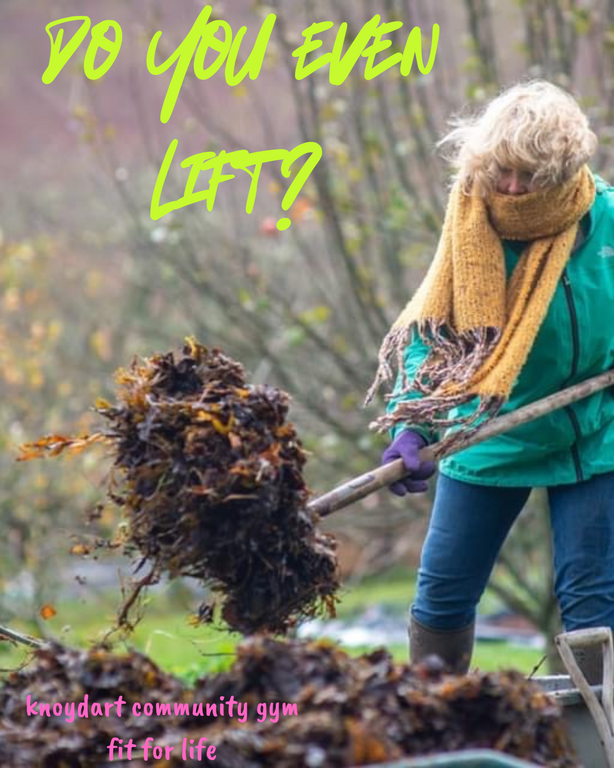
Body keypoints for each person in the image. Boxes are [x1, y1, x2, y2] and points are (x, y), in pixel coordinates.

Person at [368, 80, 614, 680]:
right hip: (488, 432)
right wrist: (410, 424)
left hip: (594, 433)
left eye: (528, 175)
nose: (510, 187)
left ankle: (598, 735)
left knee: (592, 606)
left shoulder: (605, 218)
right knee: (444, 595)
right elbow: (435, 334)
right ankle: (436, 717)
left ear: (562, 170)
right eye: (502, 170)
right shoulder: (473, 220)